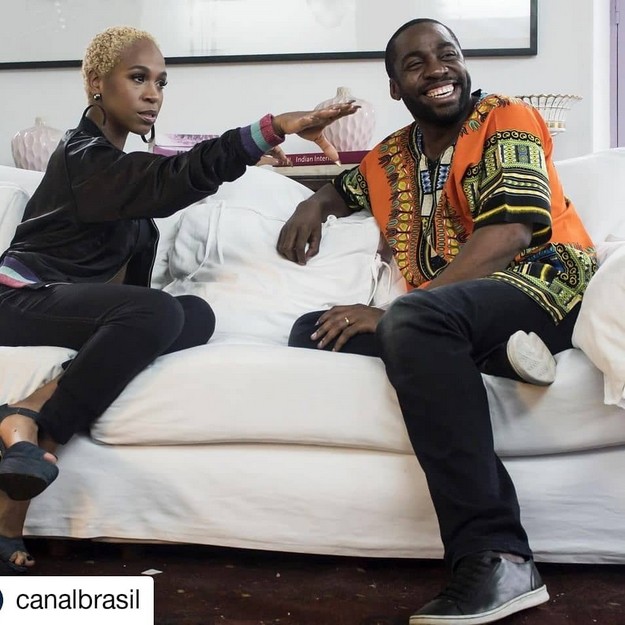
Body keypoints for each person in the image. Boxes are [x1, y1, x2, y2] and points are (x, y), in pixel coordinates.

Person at [0, 25, 358, 575]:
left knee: (194, 314)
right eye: (137, 78)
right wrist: (272, 128)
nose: (153, 95)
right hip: (17, 300)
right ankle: (28, 453)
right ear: (97, 83)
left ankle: (26, 413)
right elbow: (172, 178)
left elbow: (160, 181)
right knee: (161, 310)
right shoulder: (83, 156)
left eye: (161, 83)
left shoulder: (116, 167)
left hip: (63, 302)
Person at [277, 18, 596, 625]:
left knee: (411, 322)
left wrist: (396, 312)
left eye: (447, 54)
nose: (437, 69)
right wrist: (314, 201)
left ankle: (499, 557)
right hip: (453, 313)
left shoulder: (506, 118)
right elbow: (347, 187)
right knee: (312, 329)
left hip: (544, 281)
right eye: (416, 63)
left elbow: (510, 233)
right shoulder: (392, 155)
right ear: (395, 86)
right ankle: (497, 354)